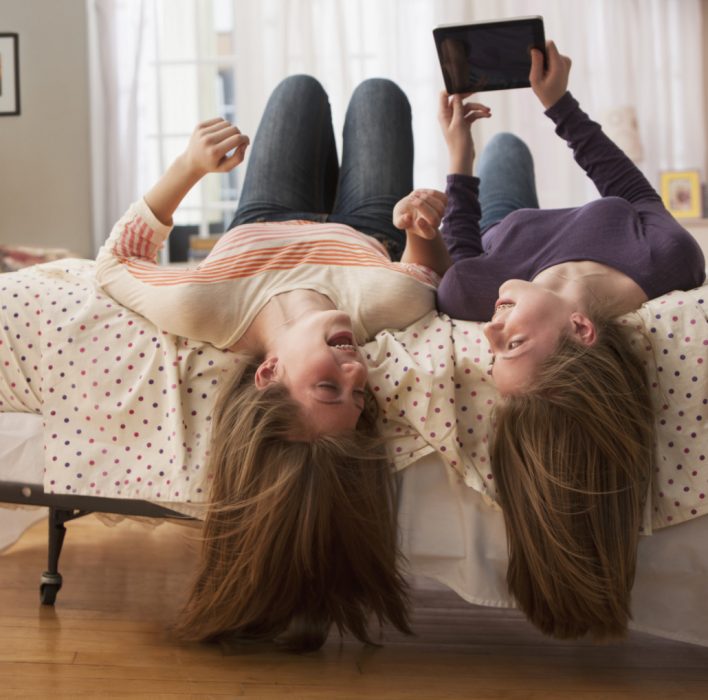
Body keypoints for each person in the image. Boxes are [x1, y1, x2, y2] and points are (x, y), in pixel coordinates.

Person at [0, 75, 444, 650]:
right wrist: (423, 229)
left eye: (330, 389)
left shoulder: (204, 308)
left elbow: (115, 264)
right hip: (368, 231)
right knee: (381, 95)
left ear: (268, 373)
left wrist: (188, 166)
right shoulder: (393, 303)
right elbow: (425, 269)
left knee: (299, 91)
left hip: (261, 219)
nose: (357, 372)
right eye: (359, 397)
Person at [393, 41, 705, 640]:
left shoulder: (472, 297)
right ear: (582, 329)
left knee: (499, 152)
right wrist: (559, 105)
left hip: (500, 230)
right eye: (511, 345)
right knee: (514, 145)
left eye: (493, 348)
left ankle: (491, 160)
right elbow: (635, 193)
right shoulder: (668, 261)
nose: (489, 331)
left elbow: (466, 252)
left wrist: (458, 158)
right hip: (550, 239)